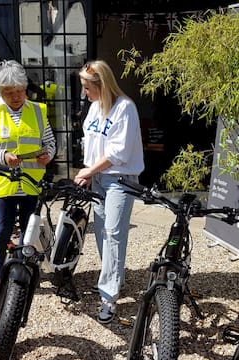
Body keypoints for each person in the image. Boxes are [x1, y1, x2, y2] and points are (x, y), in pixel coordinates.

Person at [74, 60, 144, 324]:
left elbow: (117, 153)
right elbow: (92, 146)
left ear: (101, 85)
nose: (84, 93)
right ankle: (113, 280)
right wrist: (90, 173)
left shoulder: (125, 108)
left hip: (120, 180)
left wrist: (88, 171)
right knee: (103, 234)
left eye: (87, 88)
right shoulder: (94, 108)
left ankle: (109, 296)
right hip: (100, 179)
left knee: (113, 233)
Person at [0, 60, 56, 276]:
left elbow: (50, 142)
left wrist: (49, 154)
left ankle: (21, 274)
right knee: (1, 232)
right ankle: (2, 277)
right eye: (10, 92)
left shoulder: (38, 110)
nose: (17, 96)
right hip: (4, 183)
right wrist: (2, 156)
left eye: (20, 90)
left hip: (32, 183)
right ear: (0, 91)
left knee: (29, 234)